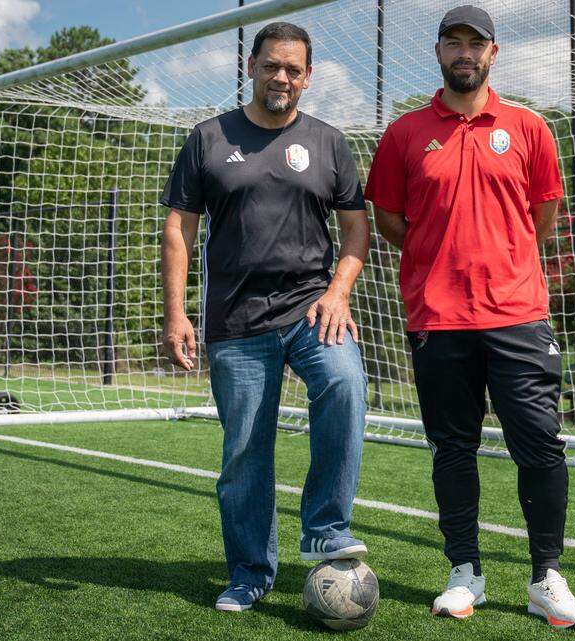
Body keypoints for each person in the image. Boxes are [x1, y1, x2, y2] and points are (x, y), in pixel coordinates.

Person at [364, 4, 575, 630]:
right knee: (452, 449)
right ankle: (465, 571)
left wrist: (501, 257)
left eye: (476, 43)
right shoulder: (406, 132)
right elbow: (388, 218)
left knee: (541, 446)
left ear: (494, 53)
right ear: (438, 52)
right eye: (453, 42)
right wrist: (438, 253)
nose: (464, 52)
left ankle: (546, 577)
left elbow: (541, 216)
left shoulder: (527, 128)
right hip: (437, 316)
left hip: (517, 314)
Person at [159, 21, 370, 613]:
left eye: (293, 69)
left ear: (308, 76)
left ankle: (326, 529)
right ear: (251, 66)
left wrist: (338, 294)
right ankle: (250, 572)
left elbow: (356, 233)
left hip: (312, 309)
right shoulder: (207, 138)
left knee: (346, 383)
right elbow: (179, 229)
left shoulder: (329, 142)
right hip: (236, 319)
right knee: (245, 452)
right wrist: (176, 314)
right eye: (272, 65)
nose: (282, 77)